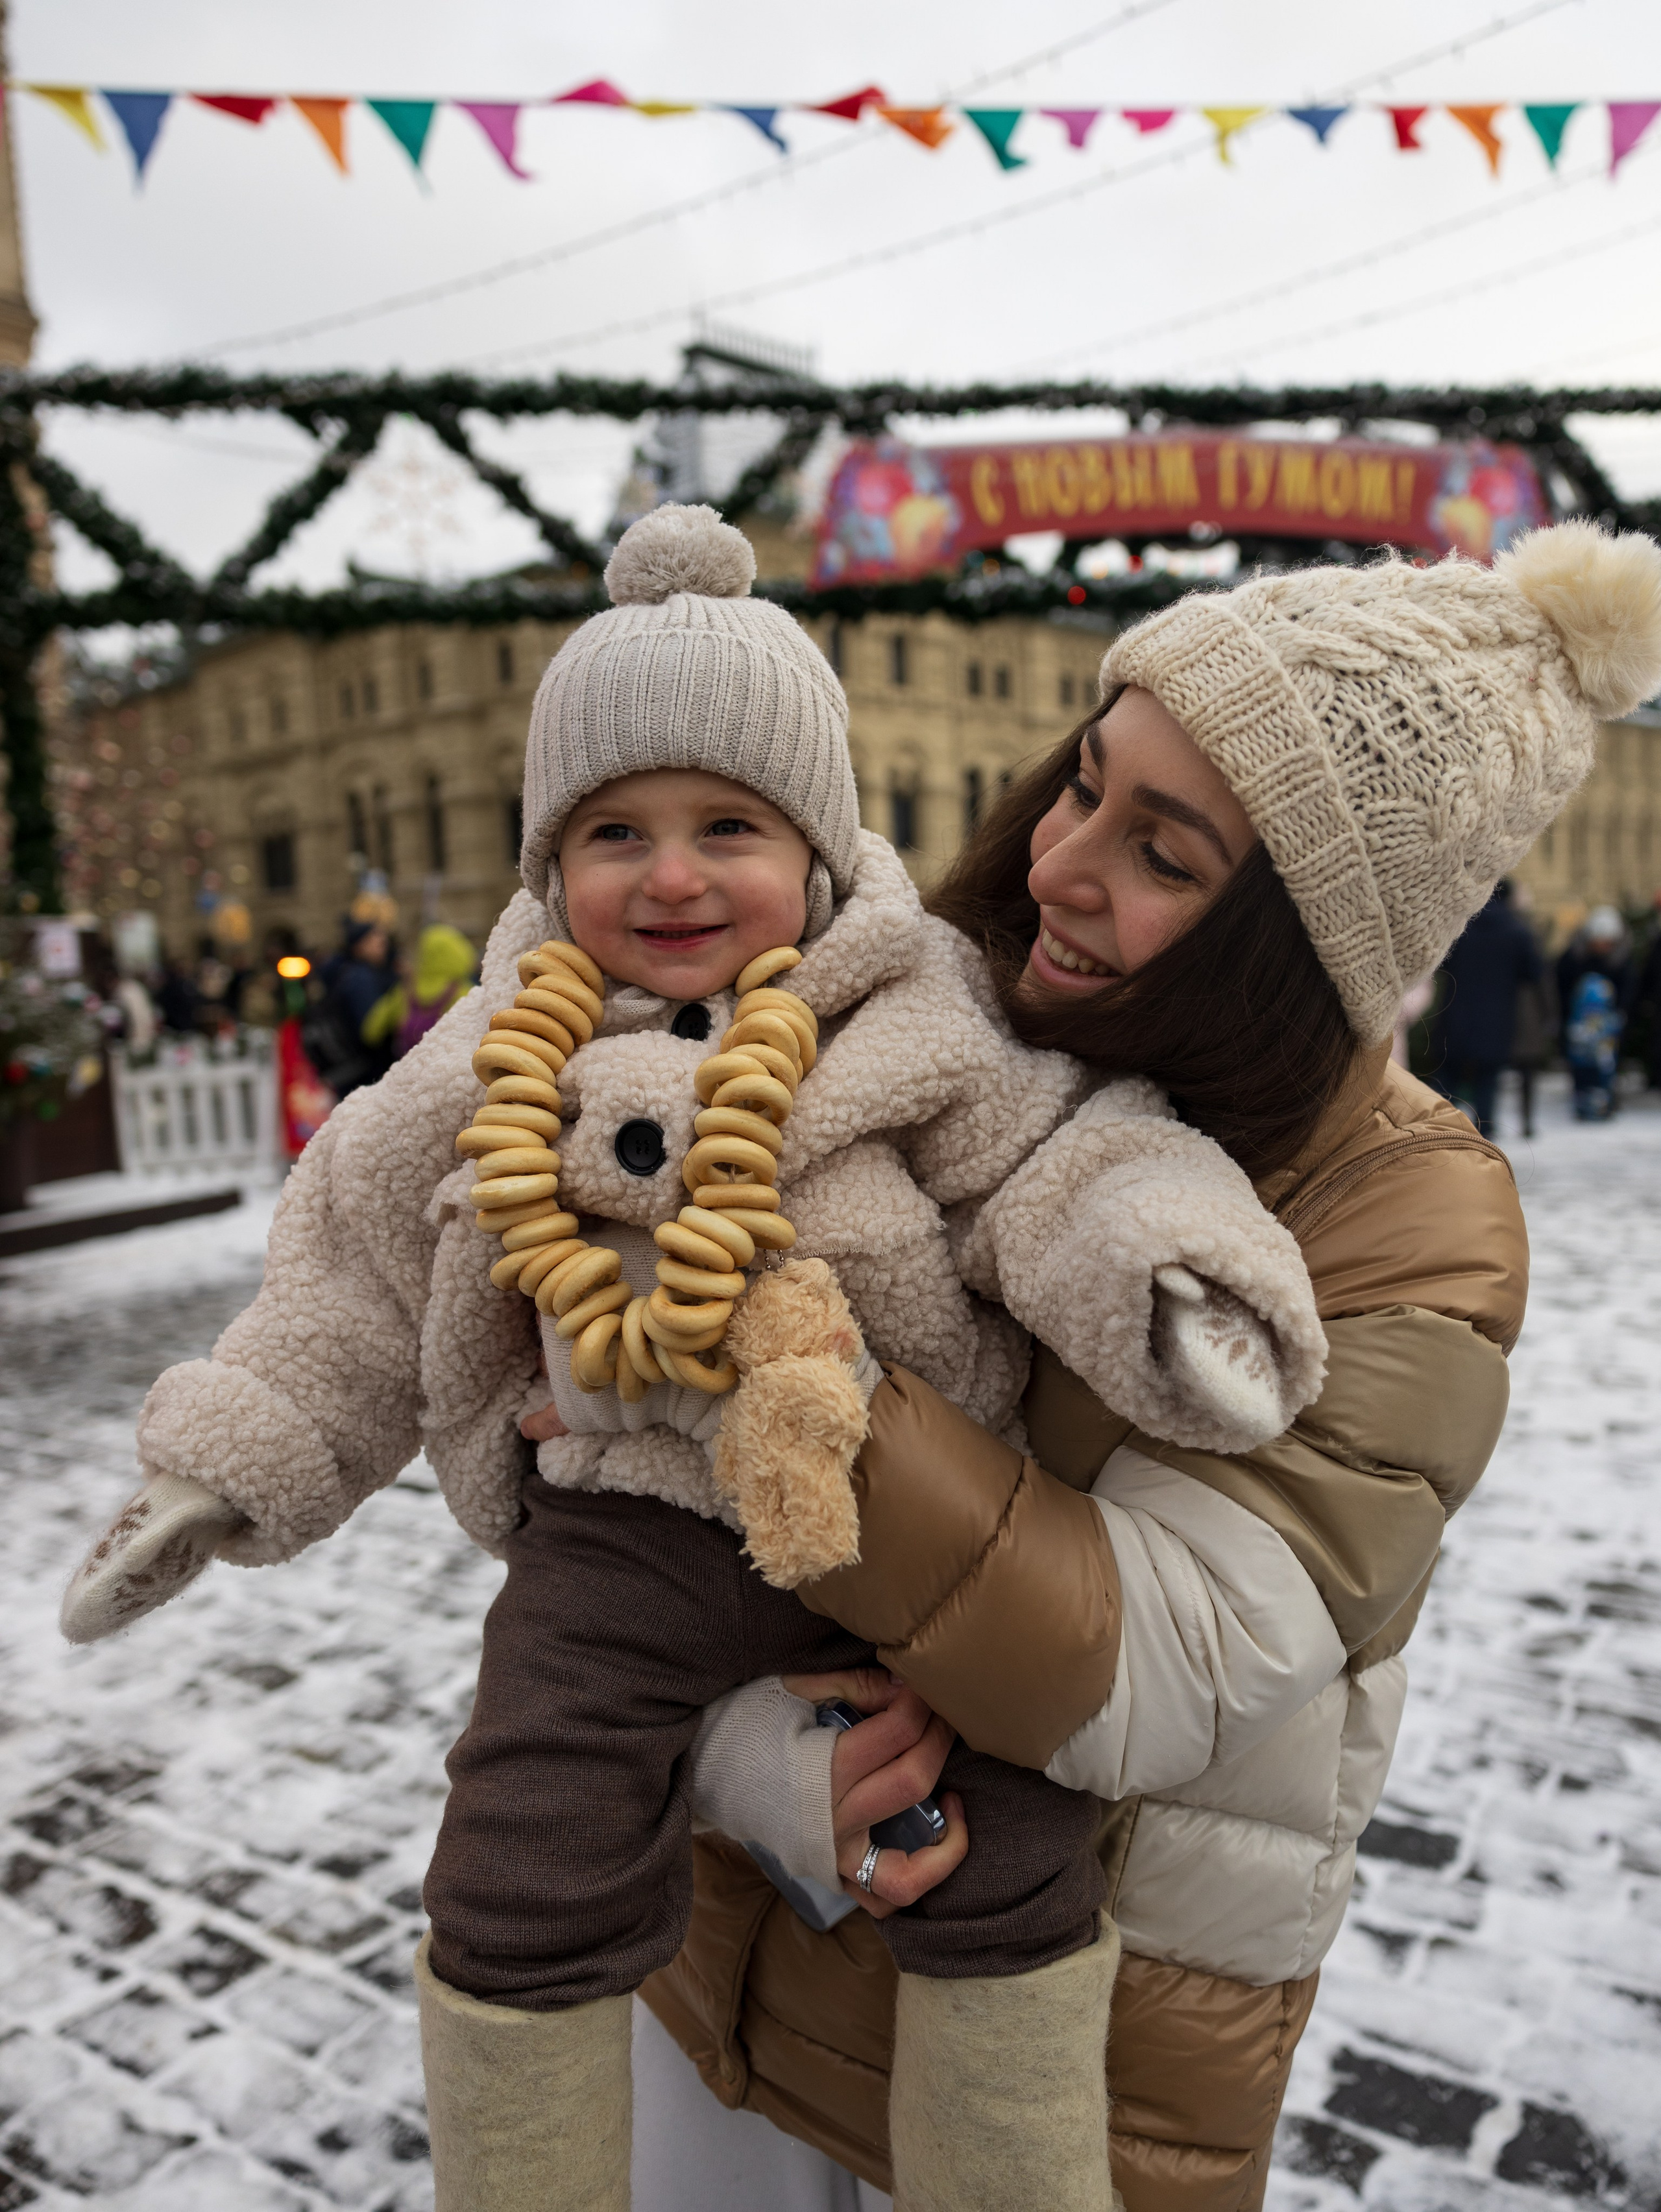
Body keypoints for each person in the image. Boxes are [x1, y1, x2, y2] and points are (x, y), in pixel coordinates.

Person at [58, 506, 1326, 2212]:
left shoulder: (917, 1004)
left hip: (897, 1529)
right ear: (547, 865)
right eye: (612, 830)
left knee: (1012, 1861)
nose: (668, 874)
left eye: (726, 823)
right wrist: (231, 1458)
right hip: (623, 1531)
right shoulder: (497, 1046)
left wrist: (1170, 1278)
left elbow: (1068, 1154)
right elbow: (356, 1255)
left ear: (812, 852)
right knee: (523, 1849)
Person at [638, 518, 1661, 2211]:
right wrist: (727, 1741)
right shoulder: (920, 1013)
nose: (1058, 862)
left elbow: (1154, 1662)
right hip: (718, 1965)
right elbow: (601, 1485)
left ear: (1303, 945)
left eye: (1164, 852)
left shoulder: (1404, 1222)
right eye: (1085, 782)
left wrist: (757, 1353)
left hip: (1050, 2070)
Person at [1432, 880, 1543, 1136]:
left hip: (1455, 1017)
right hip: (1496, 1020)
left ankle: (1437, 1136)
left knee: (1447, 1084)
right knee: (1487, 1084)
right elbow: (1534, 973)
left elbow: (1440, 966)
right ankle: (1484, 1140)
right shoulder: (1518, 932)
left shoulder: (1459, 929)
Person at [1558, 905, 1634, 1120]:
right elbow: (1560, 987)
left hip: (1608, 1028)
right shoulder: (1573, 958)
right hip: (1578, 1025)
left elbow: (1629, 993)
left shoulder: (1622, 962)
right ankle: (1582, 1104)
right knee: (1580, 1067)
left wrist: (1621, 1016)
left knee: (1605, 1068)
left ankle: (1604, 1104)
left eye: (1607, 943)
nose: (1602, 946)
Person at [305, 917, 396, 1096]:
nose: (384, 945)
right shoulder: (361, 979)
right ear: (360, 946)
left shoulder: (344, 973)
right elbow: (371, 1030)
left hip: (350, 1071)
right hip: (366, 1073)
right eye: (376, 941)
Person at [363, 921, 478, 1061]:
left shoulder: (406, 988)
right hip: (447, 1069)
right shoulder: (465, 992)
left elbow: (371, 1033)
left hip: (406, 1068)